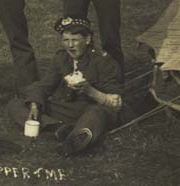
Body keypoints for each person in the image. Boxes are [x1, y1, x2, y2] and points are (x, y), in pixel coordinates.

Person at [7, 17, 123, 157]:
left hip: (91, 108)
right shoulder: (61, 58)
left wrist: (90, 91)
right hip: (67, 109)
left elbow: (116, 102)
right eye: (66, 40)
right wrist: (34, 105)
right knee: (17, 104)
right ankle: (61, 128)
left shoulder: (103, 61)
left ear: (87, 40)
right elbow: (45, 85)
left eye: (74, 40)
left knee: (97, 114)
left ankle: (72, 143)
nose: (70, 46)